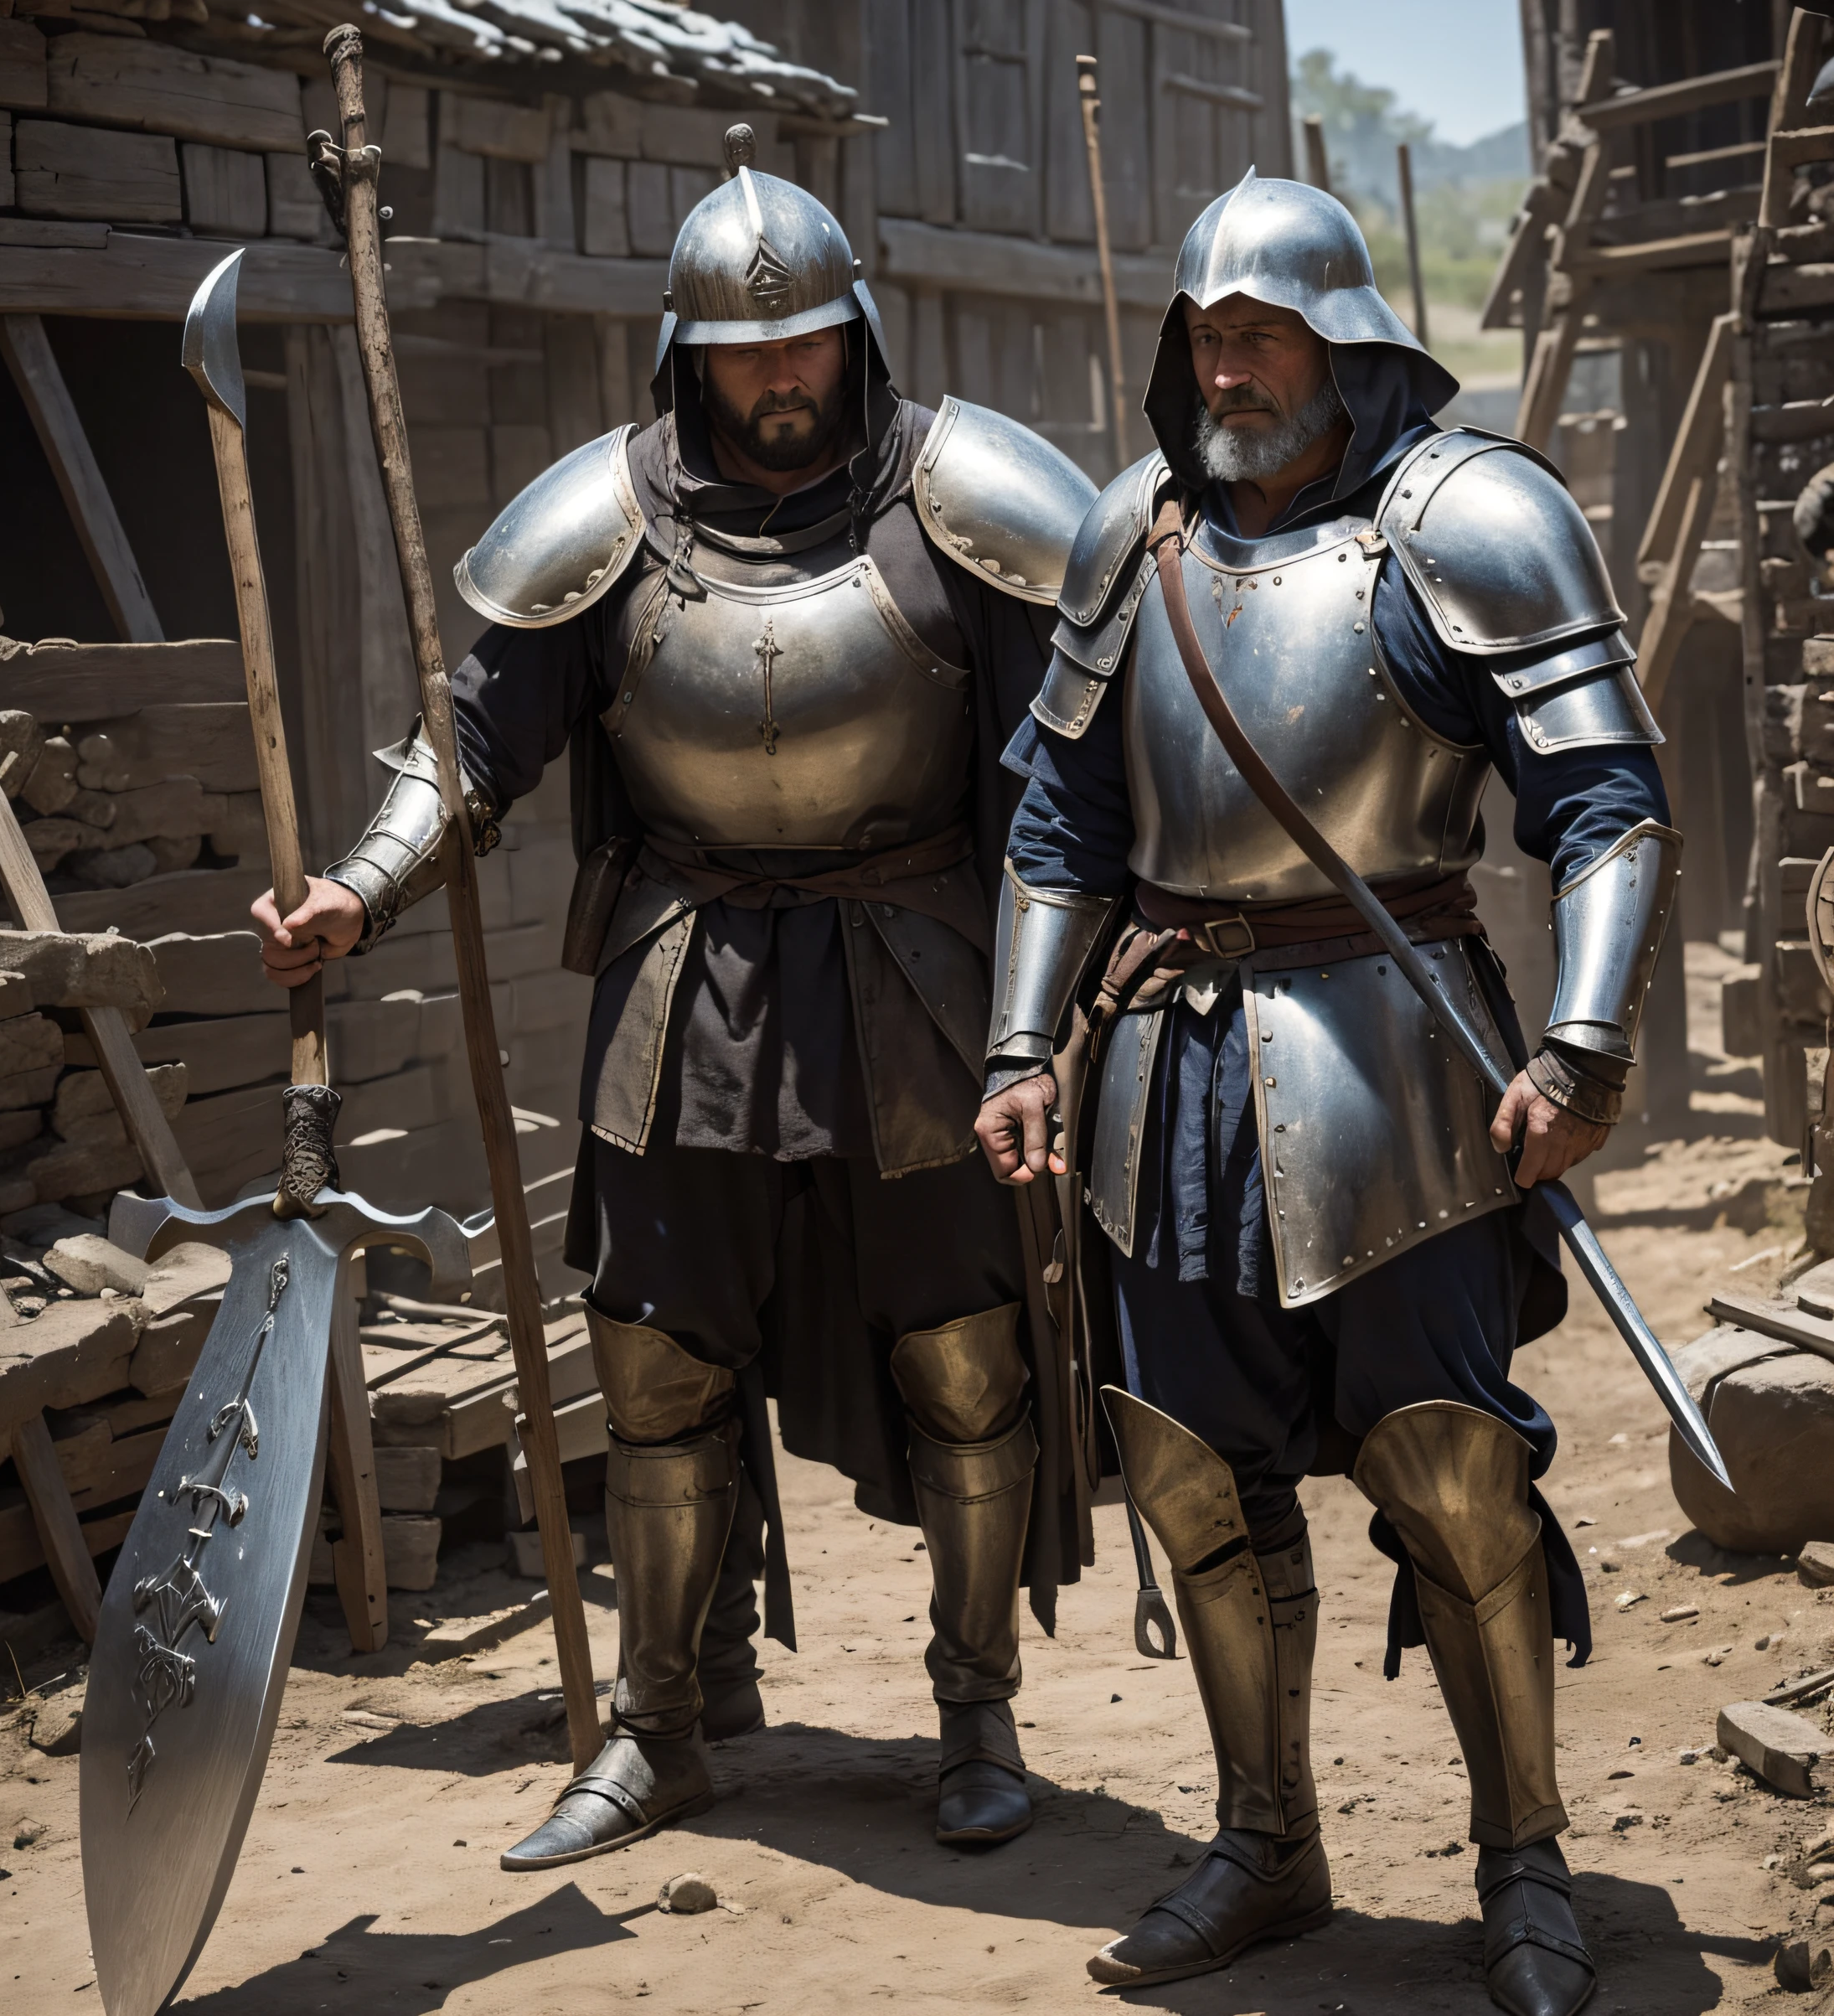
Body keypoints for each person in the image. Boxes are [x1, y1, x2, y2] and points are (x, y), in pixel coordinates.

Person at [253, 127, 1098, 1868]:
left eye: (801, 346)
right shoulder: (607, 515)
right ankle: (658, 1727)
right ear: (686, 354)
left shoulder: (965, 494)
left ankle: (977, 1714)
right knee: (652, 1363)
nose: (777, 378)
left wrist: (1062, 1001)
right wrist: (360, 881)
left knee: (962, 1355)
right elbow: (474, 736)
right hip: (684, 991)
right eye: (740, 353)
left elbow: (1072, 757)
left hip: (922, 985)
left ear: (854, 333)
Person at [974, 171, 1677, 2016]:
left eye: (1260, 333)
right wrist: (1020, 1046)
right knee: (1193, 1476)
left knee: (1451, 1476)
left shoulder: (1472, 519)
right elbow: (1059, 824)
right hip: (1164, 1076)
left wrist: (1584, 1045)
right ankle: (1266, 1845)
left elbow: (1605, 805)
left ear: (1343, 341)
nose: (1228, 367)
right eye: (1206, 336)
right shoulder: (1133, 537)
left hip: (1396, 1073)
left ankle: (1526, 1866)